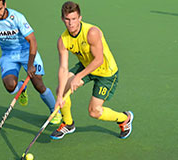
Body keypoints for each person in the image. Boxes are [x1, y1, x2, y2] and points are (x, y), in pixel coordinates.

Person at [50, 1, 134, 140]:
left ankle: (124, 118)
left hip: (106, 72)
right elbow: (63, 68)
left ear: (80, 18)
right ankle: (68, 123)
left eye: (74, 19)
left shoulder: (91, 32)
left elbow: (99, 60)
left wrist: (78, 77)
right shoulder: (63, 40)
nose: (71, 23)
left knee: (94, 112)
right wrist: (59, 97)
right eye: (67, 19)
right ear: (62, 19)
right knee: (61, 88)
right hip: (86, 64)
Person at [0, 0, 62, 124]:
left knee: (38, 84)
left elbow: (33, 41)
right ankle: (22, 87)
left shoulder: (17, 18)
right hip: (8, 55)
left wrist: (30, 64)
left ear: (5, 5)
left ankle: (55, 111)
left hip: (27, 52)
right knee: (10, 86)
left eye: (0, 9)